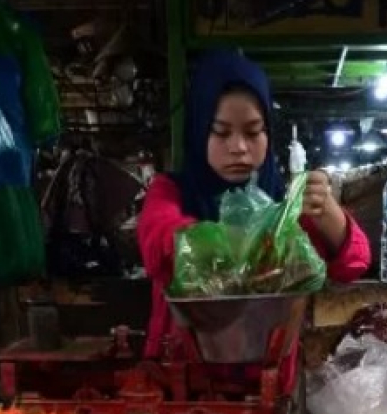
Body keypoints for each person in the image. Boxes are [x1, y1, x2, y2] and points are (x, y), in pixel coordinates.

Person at [137, 50, 370, 378]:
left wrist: (328, 213)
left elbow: (353, 264)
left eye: (252, 131)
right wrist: (261, 244)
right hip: (181, 379)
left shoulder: (284, 204)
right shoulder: (170, 192)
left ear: (269, 135)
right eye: (220, 132)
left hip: (269, 381)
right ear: (198, 132)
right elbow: (160, 246)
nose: (239, 147)